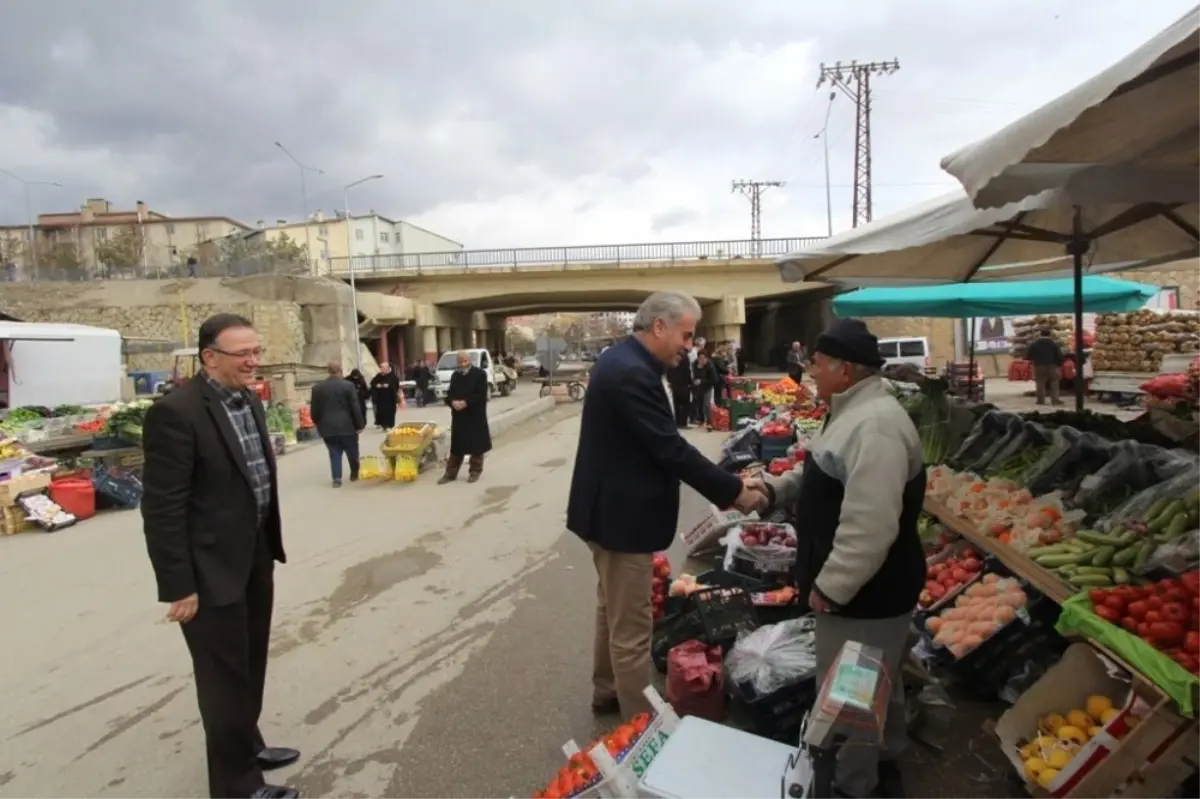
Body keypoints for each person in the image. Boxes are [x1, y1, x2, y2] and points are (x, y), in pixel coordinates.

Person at [566, 291, 768, 719]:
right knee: (633, 627)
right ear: (659, 326)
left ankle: (607, 691)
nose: (689, 346)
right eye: (686, 335)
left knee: (613, 608)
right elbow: (670, 449)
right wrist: (733, 490)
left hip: (608, 512)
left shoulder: (625, 361)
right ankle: (640, 726)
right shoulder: (630, 373)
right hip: (621, 519)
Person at [751, 318, 925, 799]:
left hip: (869, 595)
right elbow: (822, 471)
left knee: (851, 695)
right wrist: (774, 490)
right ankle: (887, 757)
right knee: (874, 680)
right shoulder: (850, 413)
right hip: (867, 593)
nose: (811, 373)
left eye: (818, 365)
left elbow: (871, 524)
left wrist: (832, 586)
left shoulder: (877, 426)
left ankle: (853, 786)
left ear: (844, 370)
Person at [141, 313, 299, 799]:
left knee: (249, 663)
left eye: (257, 352)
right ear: (209, 357)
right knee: (222, 678)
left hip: (254, 555)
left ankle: (247, 744)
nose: (254, 362)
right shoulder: (178, 412)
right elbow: (162, 507)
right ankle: (237, 787)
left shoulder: (248, 400)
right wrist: (179, 585)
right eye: (243, 354)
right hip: (209, 572)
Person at [439, 350, 492, 484]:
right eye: (460, 360)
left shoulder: (480, 374)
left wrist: (466, 402)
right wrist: (452, 402)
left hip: (475, 415)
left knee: (476, 445)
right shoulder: (455, 375)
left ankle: (475, 471)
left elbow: (481, 394)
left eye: (465, 360)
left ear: (469, 360)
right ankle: (450, 473)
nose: (462, 363)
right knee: (457, 446)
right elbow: (450, 393)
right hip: (459, 416)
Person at [311, 361, 366, 487]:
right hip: (347, 426)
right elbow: (355, 407)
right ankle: (354, 473)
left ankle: (336, 478)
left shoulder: (317, 388)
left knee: (334, 452)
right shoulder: (348, 386)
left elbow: (314, 410)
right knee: (352, 451)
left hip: (328, 427)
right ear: (340, 370)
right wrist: (360, 424)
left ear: (328, 371)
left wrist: (318, 422)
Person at [1027, 328, 1065, 406]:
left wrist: (1035, 359)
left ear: (1040, 334)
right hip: (1051, 365)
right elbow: (1060, 356)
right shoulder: (1054, 344)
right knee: (1054, 382)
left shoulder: (1034, 344)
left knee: (1040, 383)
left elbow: (1029, 356)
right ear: (1049, 335)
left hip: (1038, 366)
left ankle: (1040, 400)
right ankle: (1055, 400)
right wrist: (1058, 364)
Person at [691, 350, 719, 429]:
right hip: (698, 387)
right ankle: (701, 420)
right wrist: (694, 380)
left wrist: (701, 381)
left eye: (703, 358)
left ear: (707, 358)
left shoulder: (710, 366)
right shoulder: (695, 364)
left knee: (706, 404)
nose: (701, 360)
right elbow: (694, 375)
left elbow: (714, 380)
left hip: (707, 387)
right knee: (699, 403)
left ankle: (709, 422)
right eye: (700, 358)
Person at [369, 362, 400, 429]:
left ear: (387, 368)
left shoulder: (393, 376)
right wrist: (377, 385)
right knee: (381, 411)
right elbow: (372, 383)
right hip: (381, 397)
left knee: (390, 412)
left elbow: (396, 386)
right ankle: (383, 425)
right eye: (381, 368)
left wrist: (389, 386)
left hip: (390, 397)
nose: (381, 369)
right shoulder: (379, 375)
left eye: (383, 368)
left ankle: (390, 425)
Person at [666, 354, 692, 428]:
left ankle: (677, 422)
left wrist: (670, 381)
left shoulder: (672, 358)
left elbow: (668, 370)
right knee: (684, 404)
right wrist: (690, 382)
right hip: (683, 385)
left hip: (675, 384)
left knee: (676, 404)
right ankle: (683, 423)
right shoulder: (685, 359)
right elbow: (687, 371)